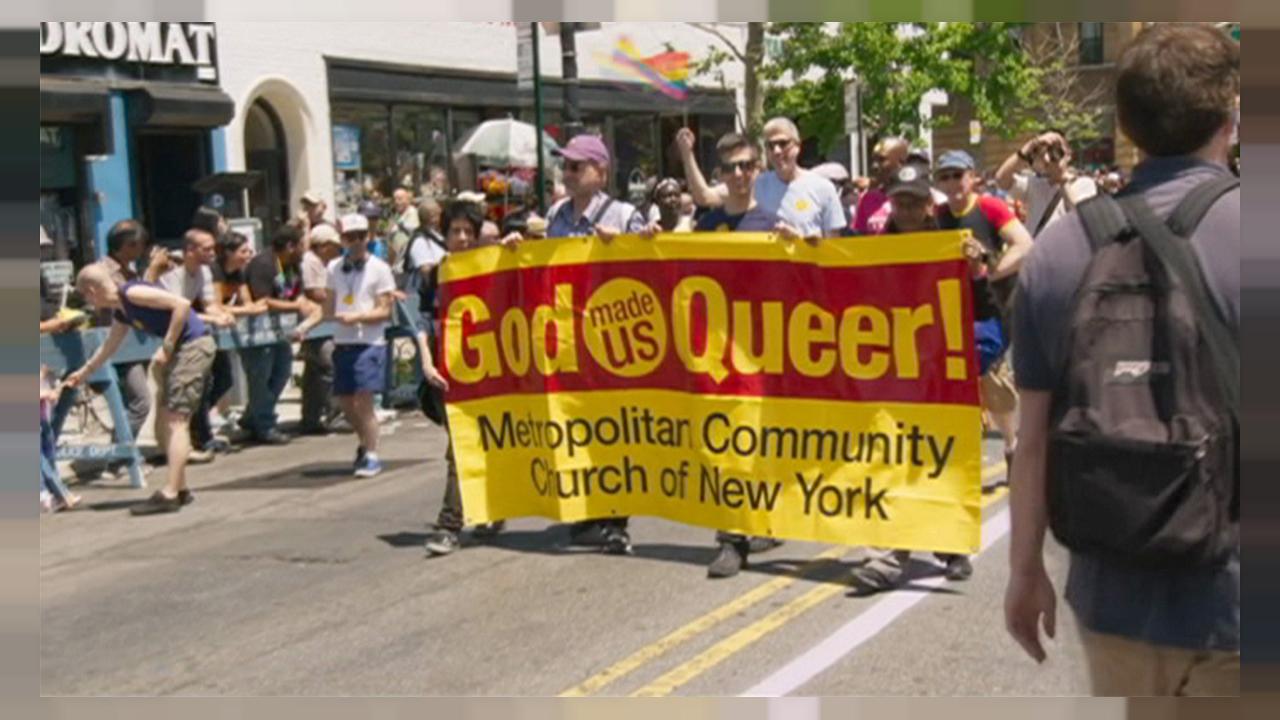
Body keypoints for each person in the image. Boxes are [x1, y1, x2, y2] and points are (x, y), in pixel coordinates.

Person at [1005, 23, 1240, 696]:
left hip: (1114, 594)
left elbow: (1031, 442)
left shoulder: (1058, 252)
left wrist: (1025, 570)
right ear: (1230, 116)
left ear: (1128, 125)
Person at [846, 160, 1001, 594]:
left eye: (915, 203)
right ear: (891, 205)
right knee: (892, 461)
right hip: (892, 373)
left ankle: (949, 544)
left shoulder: (953, 245)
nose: (909, 211)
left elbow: (985, 310)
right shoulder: (873, 249)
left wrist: (977, 272)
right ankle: (886, 557)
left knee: (939, 460)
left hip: (940, 375)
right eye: (901, 202)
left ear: (928, 206)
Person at [540, 133, 648, 554]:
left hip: (611, 338)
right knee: (576, 428)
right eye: (565, 166)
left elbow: (649, 270)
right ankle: (587, 511)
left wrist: (620, 248)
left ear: (600, 173)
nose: (567, 173)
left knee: (614, 432)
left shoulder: (624, 215)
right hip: (569, 338)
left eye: (576, 166)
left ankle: (616, 519)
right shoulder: (556, 216)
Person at [695, 132, 786, 578]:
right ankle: (731, 540)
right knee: (724, 443)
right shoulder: (705, 227)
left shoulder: (771, 224)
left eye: (747, 165)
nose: (738, 174)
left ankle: (760, 519)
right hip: (716, 352)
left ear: (758, 170)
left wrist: (797, 248)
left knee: (757, 443)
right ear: (720, 173)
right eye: (731, 167)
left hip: (761, 351)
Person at [67, 263, 217, 515]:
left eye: (85, 297)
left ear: (92, 291)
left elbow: (181, 304)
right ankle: (180, 489)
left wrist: (167, 346)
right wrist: (84, 372)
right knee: (167, 420)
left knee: (176, 421)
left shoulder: (132, 293)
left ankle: (171, 493)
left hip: (192, 347)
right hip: (181, 351)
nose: (88, 303)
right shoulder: (122, 311)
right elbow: (110, 346)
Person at [933, 149, 1034, 469]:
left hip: (991, 309)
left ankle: (1011, 444)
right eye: (945, 177)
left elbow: (1024, 244)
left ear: (972, 177)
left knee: (993, 382)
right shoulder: (936, 215)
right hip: (951, 310)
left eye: (958, 175)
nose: (952, 183)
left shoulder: (989, 207)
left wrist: (990, 271)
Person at [422, 200, 504, 556]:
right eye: (455, 231)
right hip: (447, 374)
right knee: (462, 445)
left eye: (469, 231)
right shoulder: (435, 275)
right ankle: (482, 510)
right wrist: (427, 363)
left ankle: (450, 524)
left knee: (470, 446)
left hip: (490, 371)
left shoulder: (493, 269)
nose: (462, 238)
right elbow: (422, 324)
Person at [293, 213, 396, 478]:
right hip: (343, 342)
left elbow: (385, 310)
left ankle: (372, 454)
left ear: (367, 237)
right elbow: (327, 308)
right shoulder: (334, 268)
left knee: (364, 402)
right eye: (350, 237)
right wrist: (305, 327)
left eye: (361, 236)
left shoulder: (379, 268)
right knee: (346, 403)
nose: (356, 242)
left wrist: (358, 317)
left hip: (369, 342)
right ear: (343, 240)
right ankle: (365, 442)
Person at [678, 118, 845, 241]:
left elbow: (833, 247)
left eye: (783, 143)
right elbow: (704, 196)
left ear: (798, 146)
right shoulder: (755, 182)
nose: (777, 151)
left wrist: (801, 242)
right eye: (770, 146)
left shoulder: (824, 188)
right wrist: (687, 153)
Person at [159, 228, 236, 461]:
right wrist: (212, 319)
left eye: (213, 248)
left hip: (194, 331)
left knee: (223, 378)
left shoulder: (204, 271)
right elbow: (176, 309)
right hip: (171, 334)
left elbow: (208, 303)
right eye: (207, 249)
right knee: (194, 388)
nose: (213, 253)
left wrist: (222, 314)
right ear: (190, 250)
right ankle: (199, 435)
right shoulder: (172, 274)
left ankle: (198, 428)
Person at [240, 221, 308, 445]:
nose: (304, 249)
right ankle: (265, 425)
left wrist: (300, 306)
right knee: (261, 377)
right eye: (301, 245)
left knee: (281, 373)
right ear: (290, 246)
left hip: (281, 330)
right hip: (257, 332)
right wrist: (297, 306)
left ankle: (252, 416)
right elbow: (263, 300)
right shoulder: (263, 264)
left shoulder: (293, 265)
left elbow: (296, 291)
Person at [994, 130, 1098, 238]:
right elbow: (1001, 179)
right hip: (1037, 247)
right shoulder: (1035, 184)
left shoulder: (1084, 183)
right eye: (1045, 151)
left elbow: (1079, 216)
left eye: (1057, 150)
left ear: (1068, 155)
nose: (1050, 157)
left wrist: (1062, 179)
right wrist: (1029, 146)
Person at [298, 223, 344, 435]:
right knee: (329, 365)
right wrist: (338, 296)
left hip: (324, 323)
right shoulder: (311, 262)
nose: (338, 250)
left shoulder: (327, 263)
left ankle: (311, 417)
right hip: (314, 323)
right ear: (324, 245)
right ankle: (334, 414)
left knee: (314, 372)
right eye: (334, 246)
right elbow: (314, 292)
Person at [40, 365, 80, 513]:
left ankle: (57, 495)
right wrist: (45, 393)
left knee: (49, 459)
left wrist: (57, 389)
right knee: (42, 463)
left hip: (43, 421)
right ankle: (54, 496)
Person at [852, 138, 910, 236]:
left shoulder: (922, 197)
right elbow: (859, 237)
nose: (874, 166)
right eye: (873, 160)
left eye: (881, 160)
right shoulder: (867, 199)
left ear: (902, 162)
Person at [388, 187, 420, 267]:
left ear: (408, 200)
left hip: (405, 264)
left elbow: (400, 242)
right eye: (394, 199)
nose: (396, 202)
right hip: (396, 263)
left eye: (400, 199)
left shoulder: (412, 213)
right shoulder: (398, 215)